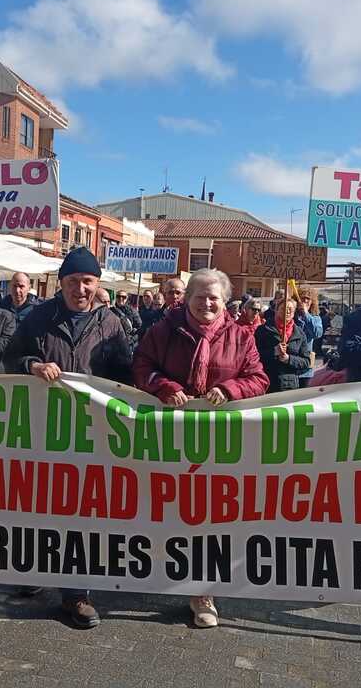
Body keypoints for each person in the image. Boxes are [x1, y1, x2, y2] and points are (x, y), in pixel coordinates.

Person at [133, 268, 269, 629]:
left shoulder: (241, 337)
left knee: (209, 515)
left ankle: (203, 592)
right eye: (200, 296)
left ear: (225, 302)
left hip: (218, 443)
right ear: (187, 298)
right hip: (168, 439)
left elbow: (259, 379)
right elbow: (141, 366)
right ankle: (157, 569)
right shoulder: (163, 330)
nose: (207, 303)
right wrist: (164, 386)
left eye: (214, 298)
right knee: (165, 506)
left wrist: (229, 390)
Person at [4, 247, 132, 628]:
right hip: (44, 431)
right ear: (61, 283)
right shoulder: (39, 317)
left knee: (82, 513)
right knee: (40, 504)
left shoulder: (111, 323)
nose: (81, 288)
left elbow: (125, 376)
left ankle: (76, 594)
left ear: (97, 283)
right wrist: (33, 365)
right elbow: (12, 358)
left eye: (87, 281)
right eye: (73, 281)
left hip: (92, 434)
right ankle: (33, 570)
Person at [255, 297, 311, 392]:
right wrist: (274, 351)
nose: (287, 312)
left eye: (290, 309)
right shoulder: (263, 330)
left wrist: (289, 359)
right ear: (276, 310)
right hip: (267, 382)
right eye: (284, 309)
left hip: (290, 385)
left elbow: (306, 362)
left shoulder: (300, 333)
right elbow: (255, 356)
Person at [294, 285, 324, 388]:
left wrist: (306, 314)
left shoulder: (315, 318)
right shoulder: (291, 316)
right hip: (291, 363)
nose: (305, 301)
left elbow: (317, 333)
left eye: (308, 299)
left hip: (306, 368)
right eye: (303, 298)